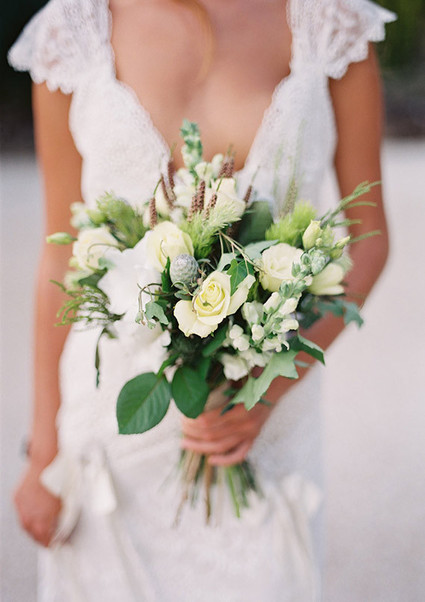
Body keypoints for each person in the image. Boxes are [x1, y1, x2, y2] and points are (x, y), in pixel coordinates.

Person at [9, 0, 395, 600]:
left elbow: (368, 238)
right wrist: (42, 455)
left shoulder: (330, 21)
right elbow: (62, 258)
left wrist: (269, 385)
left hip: (264, 424)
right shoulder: (74, 29)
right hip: (112, 424)